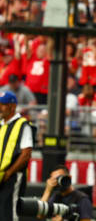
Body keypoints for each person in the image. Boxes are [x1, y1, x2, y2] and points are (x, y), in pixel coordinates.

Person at [0, 91, 35, 221]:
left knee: (9, 213)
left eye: (3, 105)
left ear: (12, 106)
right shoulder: (1, 125)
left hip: (13, 177)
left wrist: (9, 173)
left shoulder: (23, 125)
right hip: (1, 176)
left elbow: (26, 154)